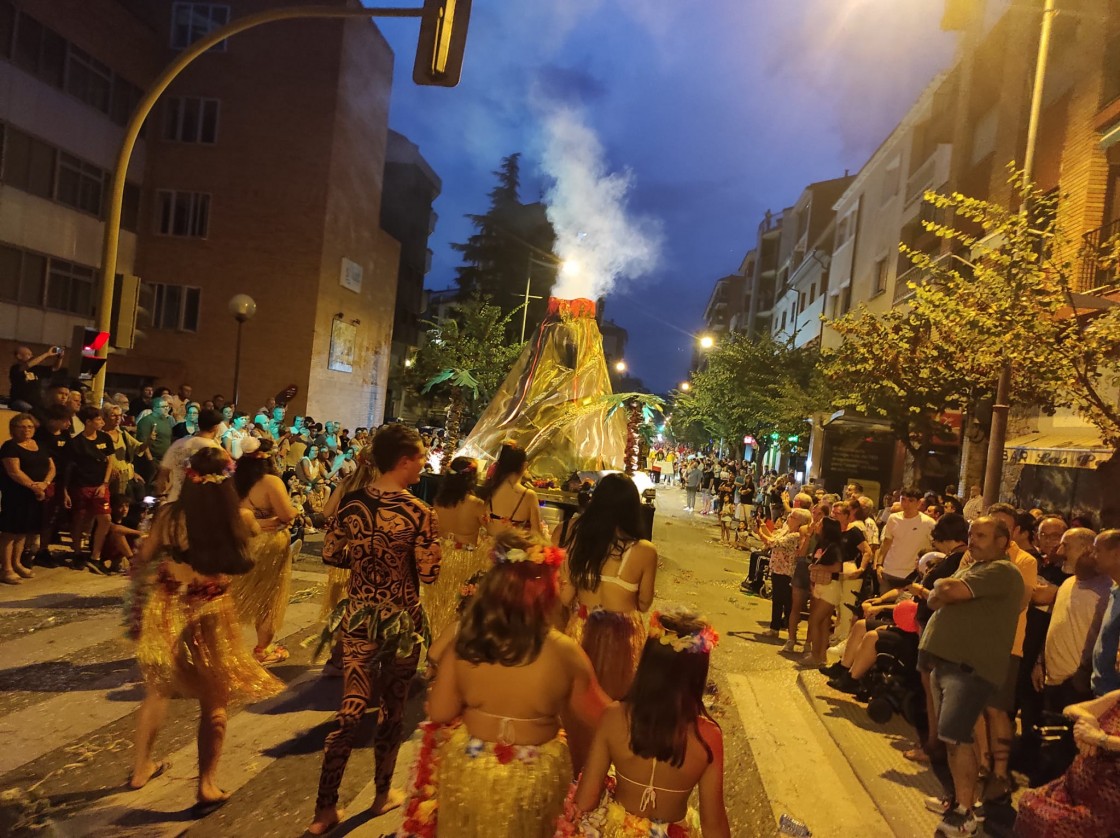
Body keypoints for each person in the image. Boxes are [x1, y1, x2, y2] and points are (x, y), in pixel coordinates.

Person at [411, 532, 607, 837]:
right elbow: (601, 717)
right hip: (533, 777)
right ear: (546, 591)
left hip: (471, 769)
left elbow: (440, 710)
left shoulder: (468, 639)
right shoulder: (564, 652)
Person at [129, 447, 284, 809]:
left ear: (189, 477)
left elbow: (145, 555)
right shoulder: (237, 518)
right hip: (210, 607)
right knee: (215, 700)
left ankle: (140, 768)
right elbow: (249, 545)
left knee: (157, 690)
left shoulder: (168, 515)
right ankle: (206, 784)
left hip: (166, 604)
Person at [309, 424, 441, 835]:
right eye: (421, 456)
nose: (425, 462)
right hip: (401, 621)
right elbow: (430, 573)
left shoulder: (350, 504)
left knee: (350, 707)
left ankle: (324, 810)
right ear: (404, 461)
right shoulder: (419, 513)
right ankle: (382, 795)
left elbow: (332, 554)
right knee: (392, 707)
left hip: (359, 615)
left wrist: (367, 563)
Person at [564, 607, 730, 837]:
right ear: (698, 673)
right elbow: (714, 824)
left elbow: (586, 799)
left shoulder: (614, 716)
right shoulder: (709, 736)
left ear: (647, 662)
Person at [918, 516, 1025, 836]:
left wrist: (943, 589)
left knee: (956, 736)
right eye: (970, 534)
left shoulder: (1002, 571)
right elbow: (937, 596)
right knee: (955, 738)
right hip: (949, 666)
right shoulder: (974, 567)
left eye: (981, 535)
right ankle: (965, 805)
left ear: (1002, 542)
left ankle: (964, 811)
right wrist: (943, 590)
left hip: (969, 669)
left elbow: (944, 589)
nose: (973, 539)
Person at [560, 473, 658, 701]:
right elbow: (644, 604)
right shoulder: (645, 551)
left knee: (578, 703)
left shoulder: (580, 541)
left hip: (581, 630)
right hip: (622, 640)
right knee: (615, 704)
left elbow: (565, 598)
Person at [1015, 688, 1120, 837]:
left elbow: (1098, 738)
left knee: (1059, 824)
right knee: (1030, 804)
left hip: (1106, 804)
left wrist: (1101, 739)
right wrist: (1087, 721)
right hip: (1074, 786)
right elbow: (1070, 709)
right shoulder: (1117, 697)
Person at [230, 437, 298, 665]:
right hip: (269, 544)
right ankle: (263, 649)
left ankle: (221, 644)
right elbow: (287, 515)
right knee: (270, 598)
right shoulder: (271, 482)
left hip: (243, 541)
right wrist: (290, 513)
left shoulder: (234, 480)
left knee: (234, 595)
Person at [423, 456, 490, 638]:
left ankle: (433, 642)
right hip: (463, 560)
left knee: (436, 605)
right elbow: (491, 531)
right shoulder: (477, 504)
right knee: (455, 608)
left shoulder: (439, 502)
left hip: (440, 557)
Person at [1, 413, 54, 583]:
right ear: (13, 429)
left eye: (29, 426)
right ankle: (6, 568)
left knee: (23, 531)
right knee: (10, 532)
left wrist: (44, 484)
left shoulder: (40, 445)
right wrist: (34, 486)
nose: (26, 430)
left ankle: (17, 564)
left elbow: (51, 467)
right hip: (16, 495)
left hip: (36, 495)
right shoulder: (10, 447)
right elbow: (14, 471)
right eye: (22, 427)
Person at [64, 405, 115, 574]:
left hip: (100, 486)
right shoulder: (76, 442)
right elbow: (69, 468)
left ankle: (96, 556)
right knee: (80, 519)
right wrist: (65, 490)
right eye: (98, 419)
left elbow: (110, 461)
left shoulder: (104, 438)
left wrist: (104, 483)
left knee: (105, 519)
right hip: (81, 486)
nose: (102, 421)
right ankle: (77, 552)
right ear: (88, 422)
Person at [154, 409, 224, 504]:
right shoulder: (215, 449)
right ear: (216, 427)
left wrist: (160, 497)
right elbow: (225, 475)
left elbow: (162, 475)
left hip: (176, 499)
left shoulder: (179, 443)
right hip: (202, 502)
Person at [877, 487, 935, 590]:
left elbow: (935, 547)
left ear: (919, 502)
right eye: (903, 499)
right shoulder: (893, 518)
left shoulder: (928, 523)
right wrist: (879, 565)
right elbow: (886, 543)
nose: (906, 504)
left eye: (911, 501)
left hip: (911, 574)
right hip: (889, 570)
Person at [804, 517, 844, 664]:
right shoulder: (821, 544)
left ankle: (815, 655)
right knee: (823, 622)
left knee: (814, 620)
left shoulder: (835, 547)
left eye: (820, 524)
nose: (817, 525)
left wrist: (819, 567)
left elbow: (837, 567)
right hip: (818, 584)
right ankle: (821, 656)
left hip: (830, 586)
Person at [481, 441, 542, 537]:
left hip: (488, 549)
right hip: (514, 550)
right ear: (524, 466)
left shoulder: (489, 488)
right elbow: (537, 534)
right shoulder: (528, 495)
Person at [8, 344, 63, 411]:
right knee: (31, 410)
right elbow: (27, 365)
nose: (31, 356)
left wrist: (60, 358)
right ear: (19, 356)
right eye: (28, 354)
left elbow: (55, 368)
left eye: (31, 354)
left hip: (36, 404)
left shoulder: (36, 368)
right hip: (19, 401)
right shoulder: (15, 368)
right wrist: (47, 354)